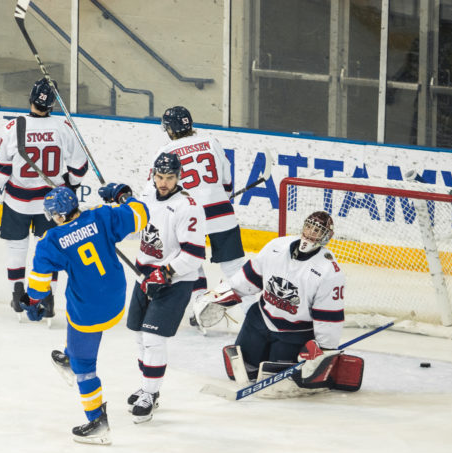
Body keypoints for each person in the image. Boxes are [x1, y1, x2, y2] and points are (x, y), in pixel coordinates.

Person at [20, 185, 148, 445]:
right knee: (75, 307)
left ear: (59, 215)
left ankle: (97, 422)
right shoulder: (102, 215)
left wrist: (31, 304)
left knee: (85, 367)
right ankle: (70, 355)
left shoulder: (51, 241)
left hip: (89, 310)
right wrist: (122, 196)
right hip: (115, 297)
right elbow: (140, 215)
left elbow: (39, 285)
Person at [195, 211, 363, 396]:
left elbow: (328, 317)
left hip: (293, 332)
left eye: (317, 231)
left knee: (277, 384)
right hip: (260, 320)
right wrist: (222, 294)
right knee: (242, 368)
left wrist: (324, 348)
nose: (310, 233)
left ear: (327, 236)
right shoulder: (276, 247)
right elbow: (250, 277)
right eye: (309, 227)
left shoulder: (329, 272)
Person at [0, 78, 89, 317]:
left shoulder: (13, 127)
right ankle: (47, 298)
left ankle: (17, 295)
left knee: (17, 248)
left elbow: (2, 169)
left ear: (30, 98)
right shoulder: (62, 127)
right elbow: (80, 166)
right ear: (53, 104)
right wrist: (71, 186)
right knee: (49, 251)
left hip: (17, 202)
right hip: (53, 206)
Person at [123, 152, 207, 422]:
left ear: (178, 177)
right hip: (143, 274)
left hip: (175, 280)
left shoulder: (188, 207)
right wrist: (122, 199)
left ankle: (149, 394)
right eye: (159, 177)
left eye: (170, 178)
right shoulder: (148, 193)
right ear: (153, 175)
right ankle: (148, 386)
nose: (163, 183)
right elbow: (134, 223)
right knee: (139, 336)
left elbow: (194, 255)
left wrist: (166, 272)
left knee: (153, 339)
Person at [155, 106, 248, 323]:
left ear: (170, 129)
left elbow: (163, 191)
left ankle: (199, 305)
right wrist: (219, 197)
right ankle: (254, 314)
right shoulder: (211, 142)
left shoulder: (165, 153)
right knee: (235, 267)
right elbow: (226, 182)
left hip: (190, 217)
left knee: (191, 262)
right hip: (221, 212)